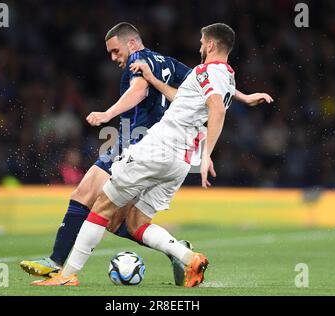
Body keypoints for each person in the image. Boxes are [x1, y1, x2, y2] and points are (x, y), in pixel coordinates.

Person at [32, 23, 272, 287]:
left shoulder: (197, 69)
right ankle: (188, 257)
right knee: (136, 222)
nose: (200, 46)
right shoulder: (225, 76)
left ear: (211, 45)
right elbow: (184, 98)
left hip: (156, 147)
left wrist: (208, 155)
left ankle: (66, 274)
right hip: (179, 162)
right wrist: (245, 98)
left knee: (101, 206)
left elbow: (215, 109)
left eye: (203, 42)